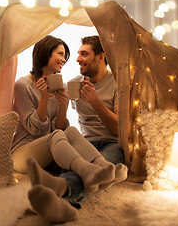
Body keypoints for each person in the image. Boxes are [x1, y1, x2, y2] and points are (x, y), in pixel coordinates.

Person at [11, 35, 118, 223]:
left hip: (47, 150)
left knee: (69, 132)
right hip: (23, 151)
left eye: (65, 55)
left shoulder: (58, 86)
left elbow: (59, 128)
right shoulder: (23, 85)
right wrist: (44, 97)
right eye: (61, 54)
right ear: (46, 54)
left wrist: (62, 106)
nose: (65, 59)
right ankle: (87, 169)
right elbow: (36, 130)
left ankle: (99, 166)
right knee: (59, 136)